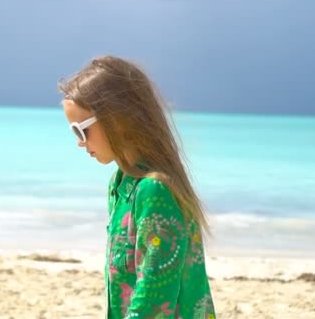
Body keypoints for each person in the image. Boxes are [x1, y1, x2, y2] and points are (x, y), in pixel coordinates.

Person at [59, 56, 216, 319]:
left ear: (118, 120)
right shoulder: (120, 184)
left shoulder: (154, 190)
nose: (79, 143)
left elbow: (155, 292)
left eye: (81, 131)